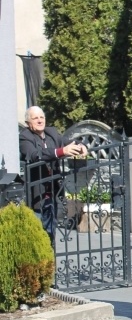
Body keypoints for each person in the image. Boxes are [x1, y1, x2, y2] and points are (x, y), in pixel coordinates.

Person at [19, 105, 87, 247]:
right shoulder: (25, 137)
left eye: (41, 117)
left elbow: (70, 143)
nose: (39, 120)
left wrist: (82, 146)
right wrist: (60, 152)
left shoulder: (52, 133)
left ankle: (51, 267)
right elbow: (35, 155)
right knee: (36, 239)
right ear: (28, 123)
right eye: (35, 118)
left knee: (50, 237)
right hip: (35, 196)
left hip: (52, 194)